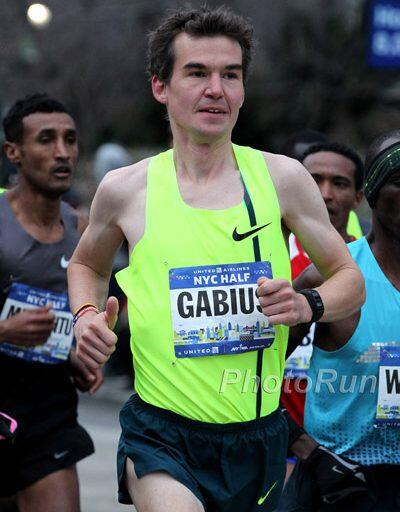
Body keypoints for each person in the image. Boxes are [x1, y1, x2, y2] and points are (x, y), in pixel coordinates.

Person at [67, 7, 364, 512]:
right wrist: (86, 315)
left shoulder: (282, 179)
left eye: (230, 75)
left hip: (256, 436)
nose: (216, 90)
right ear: (160, 86)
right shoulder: (126, 189)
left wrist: (307, 304)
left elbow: (349, 279)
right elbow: (87, 266)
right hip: (161, 433)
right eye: (197, 73)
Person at [279, 130, 400, 510]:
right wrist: (308, 452)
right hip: (339, 483)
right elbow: (249, 377)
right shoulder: (330, 277)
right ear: (373, 191)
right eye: (399, 180)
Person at [0, 93, 102, 512]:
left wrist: (78, 355)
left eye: (70, 139)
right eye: (46, 139)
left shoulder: (82, 230)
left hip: (47, 416)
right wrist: (3, 332)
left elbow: (80, 319)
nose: (63, 152)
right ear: (14, 152)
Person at [284, 142, 365, 427]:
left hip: (349, 437)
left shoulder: (373, 268)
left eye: (339, 183)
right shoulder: (268, 258)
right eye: (314, 180)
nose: (325, 193)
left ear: (358, 197)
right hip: (277, 437)